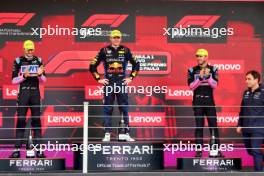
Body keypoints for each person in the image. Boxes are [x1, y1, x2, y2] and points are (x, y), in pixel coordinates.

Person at [90, 30, 140, 142]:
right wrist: (99, 79)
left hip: (121, 84)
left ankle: (126, 133)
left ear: (120, 38)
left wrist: (131, 78)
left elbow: (136, 64)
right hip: (109, 84)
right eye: (114, 37)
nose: (116, 39)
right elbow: (92, 65)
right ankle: (107, 133)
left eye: (118, 37)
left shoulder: (125, 50)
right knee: (108, 108)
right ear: (110, 38)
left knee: (124, 108)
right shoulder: (104, 50)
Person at [9, 40, 46, 158]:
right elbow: (13, 80)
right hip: (23, 93)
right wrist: (24, 76)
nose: (30, 52)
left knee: (37, 121)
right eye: (28, 49)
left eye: (32, 49)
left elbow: (44, 80)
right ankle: (16, 150)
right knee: (20, 121)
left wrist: (40, 74)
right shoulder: (18, 61)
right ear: (24, 49)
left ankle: (39, 150)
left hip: (35, 93)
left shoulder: (39, 60)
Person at [187, 49, 223, 157]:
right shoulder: (191, 70)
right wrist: (200, 78)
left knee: (213, 126)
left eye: (201, 56)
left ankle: (216, 150)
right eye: (197, 56)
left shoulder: (214, 69)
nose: (198, 58)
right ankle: (199, 151)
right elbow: (191, 86)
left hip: (209, 100)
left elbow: (214, 85)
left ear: (206, 57)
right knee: (199, 126)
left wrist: (208, 77)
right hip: (197, 101)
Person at [237, 70, 264, 171]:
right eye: (246, 79)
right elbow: (242, 110)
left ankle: (258, 173)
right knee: (250, 151)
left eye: (249, 79)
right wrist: (239, 124)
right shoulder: (246, 93)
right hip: (246, 128)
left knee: (255, 150)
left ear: (256, 80)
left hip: (259, 128)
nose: (246, 81)